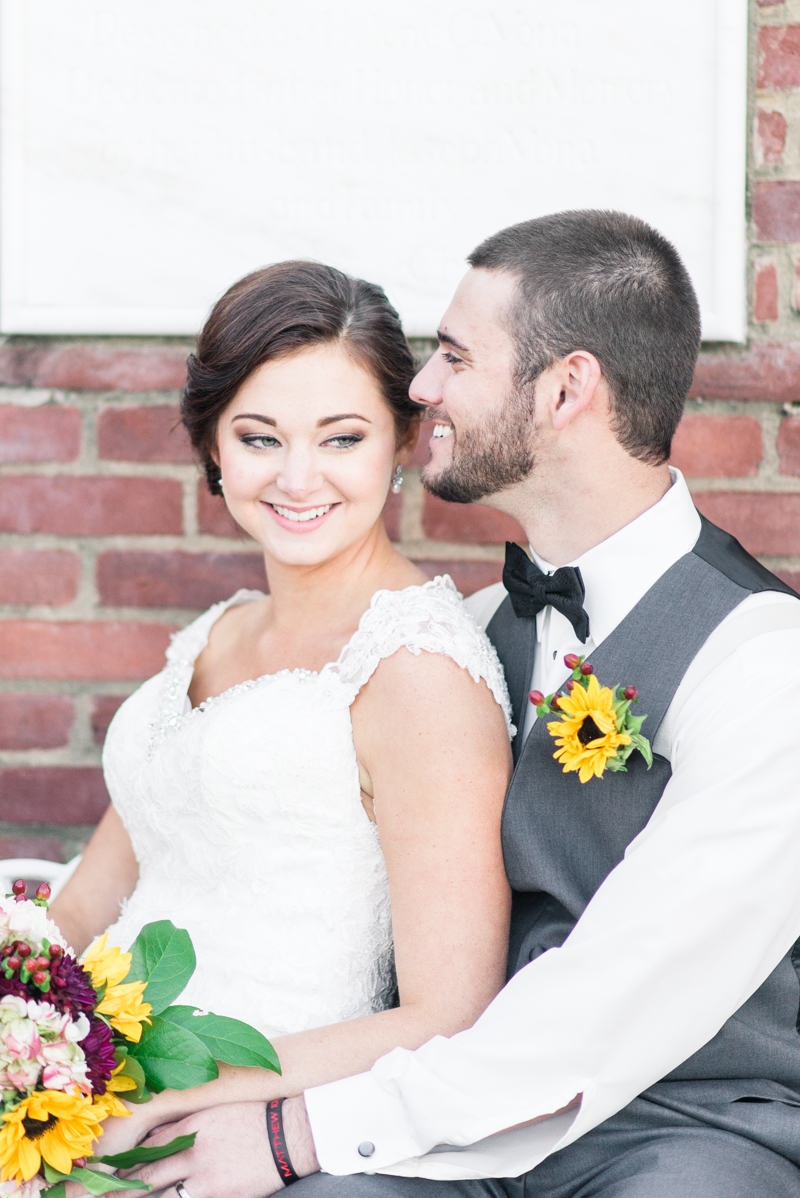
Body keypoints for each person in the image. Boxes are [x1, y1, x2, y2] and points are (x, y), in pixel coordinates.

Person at [120, 210, 800, 1198]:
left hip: (681, 1129)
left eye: (451, 356)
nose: (421, 388)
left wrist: (293, 1129)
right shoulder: (470, 628)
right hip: (447, 1125)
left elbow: (631, 987)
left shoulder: (760, 663)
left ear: (566, 388)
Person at [49, 262, 514, 1179]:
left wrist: (178, 1095)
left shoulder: (416, 671)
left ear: (399, 444)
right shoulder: (215, 631)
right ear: (213, 449)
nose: (299, 479)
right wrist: (30, 1035)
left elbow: (450, 1011)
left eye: (342, 438)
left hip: (232, 1130)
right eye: (260, 437)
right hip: (82, 1099)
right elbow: (83, 906)